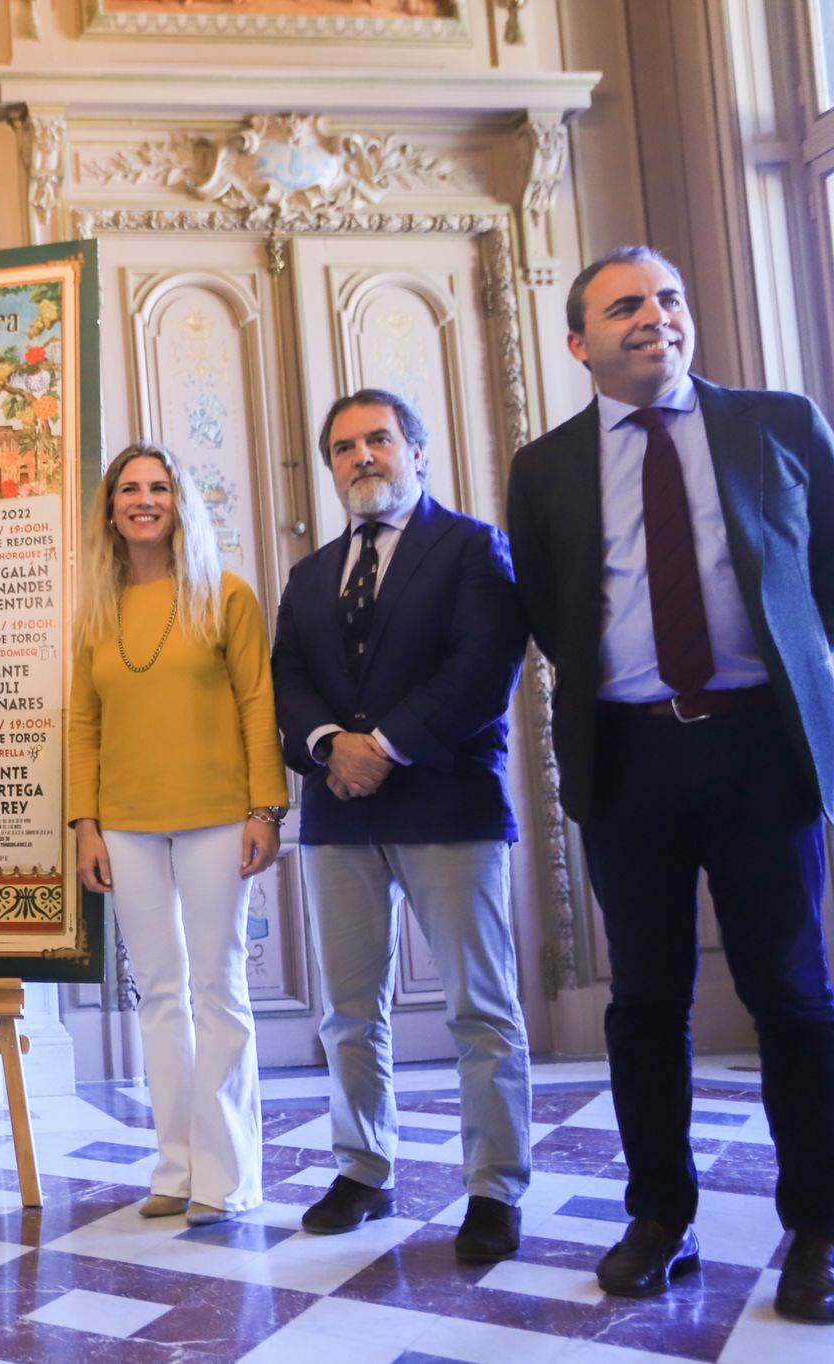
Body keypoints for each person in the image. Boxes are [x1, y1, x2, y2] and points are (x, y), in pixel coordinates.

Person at [507, 245, 834, 1321]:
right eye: (624, 306)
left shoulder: (776, 423)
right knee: (642, 1000)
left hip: (758, 750)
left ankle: (819, 1225)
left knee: (789, 993)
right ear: (577, 343)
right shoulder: (545, 466)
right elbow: (556, 617)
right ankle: (657, 1216)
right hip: (628, 756)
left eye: (666, 297)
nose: (653, 316)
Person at [271, 390, 532, 1262]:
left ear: (416, 448)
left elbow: (481, 670)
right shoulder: (309, 576)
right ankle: (364, 1170)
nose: (361, 458)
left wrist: (380, 745)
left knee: (479, 1010)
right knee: (351, 1012)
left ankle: (494, 1190)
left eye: (378, 440)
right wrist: (327, 746)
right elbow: (290, 681)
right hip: (339, 818)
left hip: (447, 804)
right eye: (343, 447)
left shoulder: (470, 547)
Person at [68, 442, 287, 1226]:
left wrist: (267, 809)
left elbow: (260, 706)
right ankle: (175, 1167)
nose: (144, 499)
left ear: (180, 501)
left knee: (218, 989)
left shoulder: (226, 595)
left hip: (220, 816)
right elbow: (82, 723)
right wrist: (85, 825)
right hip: (125, 823)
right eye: (129, 489)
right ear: (112, 509)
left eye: (159, 487)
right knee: (158, 993)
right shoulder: (95, 608)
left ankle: (227, 1177)